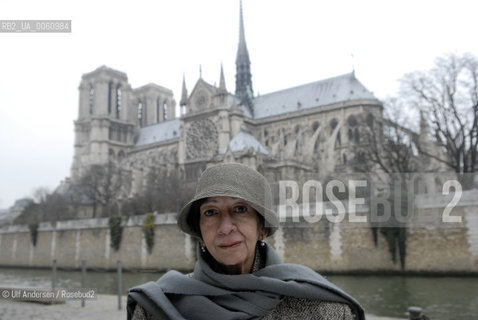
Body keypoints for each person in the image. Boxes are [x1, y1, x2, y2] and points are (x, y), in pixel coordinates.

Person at [127, 163, 365, 320]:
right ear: (199, 232)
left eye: (240, 209)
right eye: (211, 212)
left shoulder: (324, 309)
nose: (225, 228)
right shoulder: (154, 309)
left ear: (262, 228)